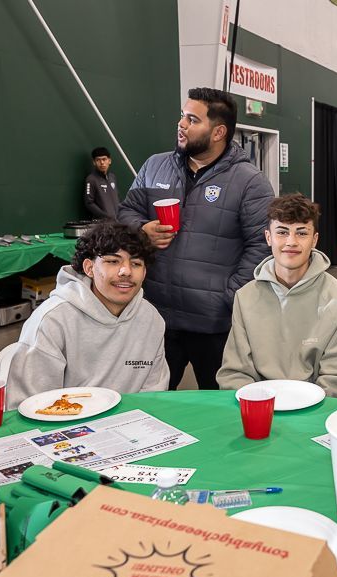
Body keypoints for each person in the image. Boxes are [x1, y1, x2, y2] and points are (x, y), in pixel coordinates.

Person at [117, 87, 274, 390]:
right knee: (148, 407)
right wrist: (141, 230)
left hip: (214, 325)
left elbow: (262, 247)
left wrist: (228, 298)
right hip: (153, 316)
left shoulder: (250, 183)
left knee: (221, 412)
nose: (181, 124)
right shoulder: (154, 166)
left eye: (192, 119)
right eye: (182, 116)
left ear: (218, 132)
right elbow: (126, 212)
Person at [5, 223, 169, 408]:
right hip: (64, 427)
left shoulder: (151, 319)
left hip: (130, 426)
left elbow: (154, 394)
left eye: (136, 264)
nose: (126, 271)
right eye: (113, 261)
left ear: (144, 272)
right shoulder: (53, 320)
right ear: (89, 268)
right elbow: (28, 404)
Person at [217, 195, 337, 397]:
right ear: (268, 237)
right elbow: (235, 373)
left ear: (315, 240)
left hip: (314, 410)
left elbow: (334, 379)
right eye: (282, 232)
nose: (291, 242)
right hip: (257, 407)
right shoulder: (245, 297)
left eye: (301, 233)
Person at [83, 146, 119, 220]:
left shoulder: (112, 177)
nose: (102, 163)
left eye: (104, 159)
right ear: (94, 162)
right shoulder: (91, 179)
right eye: (98, 160)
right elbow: (89, 203)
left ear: (109, 161)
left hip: (117, 222)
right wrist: (105, 216)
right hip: (102, 224)